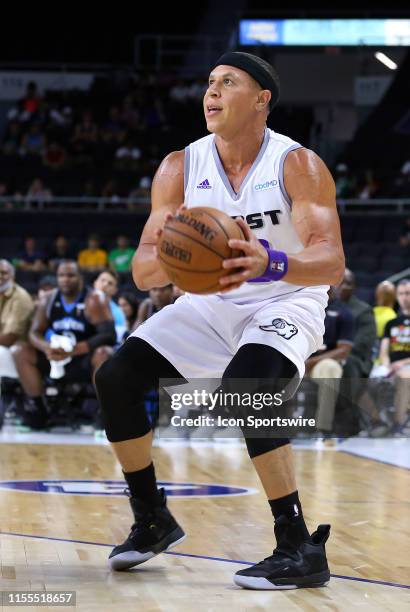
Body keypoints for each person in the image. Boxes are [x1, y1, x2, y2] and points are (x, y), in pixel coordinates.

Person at [95, 52, 344, 590]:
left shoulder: (296, 164)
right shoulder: (179, 167)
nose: (211, 92)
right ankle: (152, 517)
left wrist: (269, 261)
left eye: (227, 82)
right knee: (115, 377)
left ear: (261, 99)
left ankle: (297, 545)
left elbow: (331, 261)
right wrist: (190, 247)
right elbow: (142, 273)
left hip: (284, 296)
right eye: (208, 83)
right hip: (208, 303)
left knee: (248, 387)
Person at [12, 261, 116, 429]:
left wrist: (74, 350)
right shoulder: (49, 299)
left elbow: (108, 335)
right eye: (61, 275)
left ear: (80, 278)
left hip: (83, 359)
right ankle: (38, 408)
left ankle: (105, 411)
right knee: (20, 351)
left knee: (104, 353)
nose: (65, 280)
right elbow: (34, 332)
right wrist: (47, 348)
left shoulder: (94, 299)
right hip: (55, 356)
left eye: (70, 275)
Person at [305, 287, 354, 435]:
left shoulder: (344, 312)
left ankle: (322, 428)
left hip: (319, 363)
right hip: (297, 356)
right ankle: (263, 425)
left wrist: (309, 363)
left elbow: (344, 350)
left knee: (330, 368)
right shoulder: (301, 304)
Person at [335, 269, 377, 435]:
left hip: (357, 359)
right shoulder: (325, 307)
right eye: (340, 282)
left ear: (354, 287)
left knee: (347, 365)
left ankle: (347, 423)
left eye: (348, 283)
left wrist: (336, 352)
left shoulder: (364, 310)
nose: (343, 286)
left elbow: (362, 343)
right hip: (329, 357)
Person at [378, 279, 410, 435]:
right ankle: (377, 422)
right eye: (401, 294)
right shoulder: (391, 323)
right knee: (365, 381)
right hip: (393, 367)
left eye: (408, 293)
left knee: (404, 377)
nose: (404, 297)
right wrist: (386, 365)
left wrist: (402, 363)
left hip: (406, 367)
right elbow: (384, 351)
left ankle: (398, 424)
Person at [0, 260, 34, 380]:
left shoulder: (20, 297)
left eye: (4, 273)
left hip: (18, 353)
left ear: (13, 276)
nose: (0, 276)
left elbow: (10, 338)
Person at [93, 270, 127, 344]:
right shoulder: (80, 302)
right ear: (95, 283)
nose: (105, 284)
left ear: (115, 290)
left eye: (110, 283)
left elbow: (116, 340)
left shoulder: (118, 313)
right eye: (102, 280)